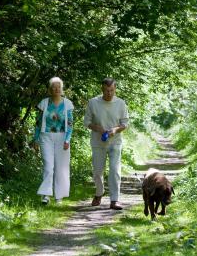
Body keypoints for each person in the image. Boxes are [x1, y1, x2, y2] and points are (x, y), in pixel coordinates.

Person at [84, 77, 129, 210]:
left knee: (115, 170)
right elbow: (86, 122)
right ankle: (99, 193)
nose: (109, 93)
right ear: (102, 89)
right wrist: (98, 128)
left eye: (111, 90)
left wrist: (115, 130)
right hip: (98, 142)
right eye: (106, 90)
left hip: (115, 142)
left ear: (115, 89)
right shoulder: (93, 102)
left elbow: (125, 124)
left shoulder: (121, 103)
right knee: (98, 171)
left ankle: (114, 200)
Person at [32, 76, 74, 204]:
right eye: (53, 87)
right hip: (46, 137)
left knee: (61, 168)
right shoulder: (44, 103)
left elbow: (70, 124)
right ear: (50, 90)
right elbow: (38, 123)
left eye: (58, 87)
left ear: (62, 89)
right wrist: (35, 139)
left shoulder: (67, 104)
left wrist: (68, 139)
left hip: (62, 137)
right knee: (49, 166)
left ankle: (59, 196)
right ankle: (45, 195)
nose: (56, 89)